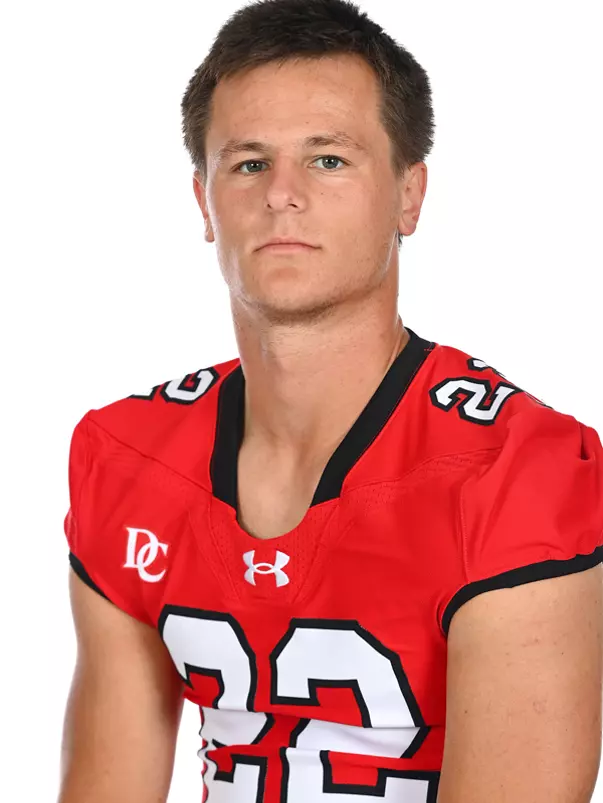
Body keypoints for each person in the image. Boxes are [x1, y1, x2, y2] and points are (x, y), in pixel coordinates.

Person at [57, 1, 603, 801]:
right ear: (205, 202)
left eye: (327, 160)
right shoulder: (126, 453)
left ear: (408, 196)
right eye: (247, 163)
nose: (281, 194)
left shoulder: (518, 468)